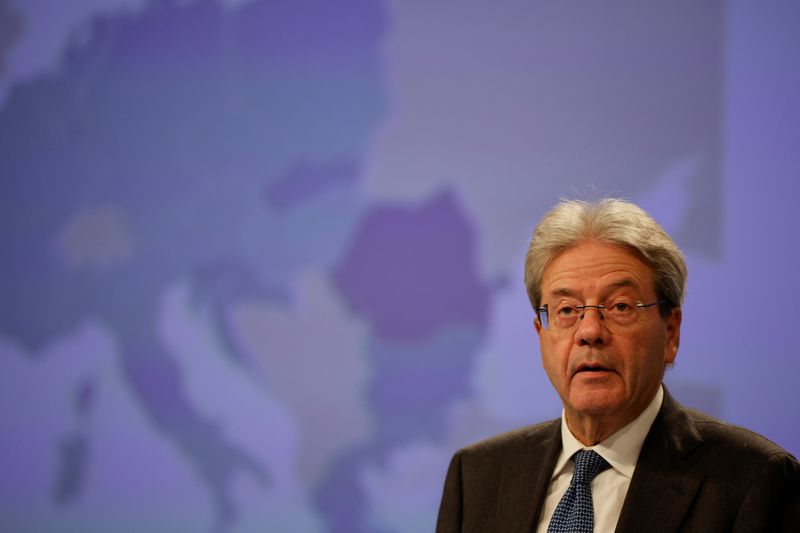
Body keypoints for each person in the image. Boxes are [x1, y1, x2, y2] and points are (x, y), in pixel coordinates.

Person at [435, 198, 800, 532]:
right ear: (540, 335)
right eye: (566, 310)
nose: (590, 331)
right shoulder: (477, 476)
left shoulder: (753, 479)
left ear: (670, 333)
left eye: (620, 306)